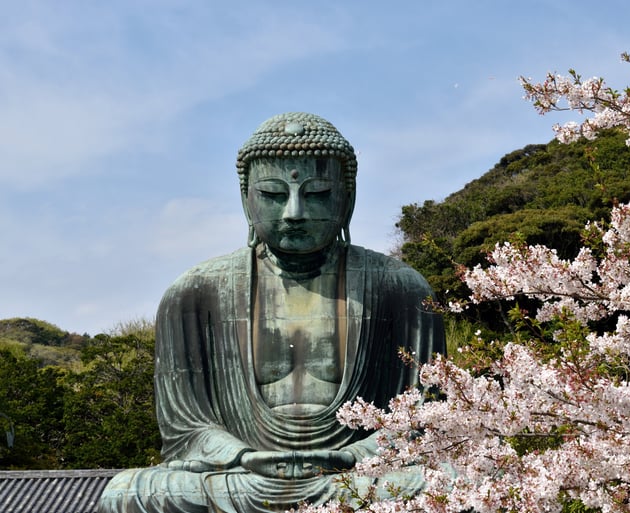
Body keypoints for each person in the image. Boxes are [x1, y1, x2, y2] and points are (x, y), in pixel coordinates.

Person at [98, 112, 445, 512]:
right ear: (246, 199)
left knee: (462, 482)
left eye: (315, 194)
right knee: (127, 494)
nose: (294, 212)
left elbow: (424, 420)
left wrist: (352, 455)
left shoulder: (399, 288)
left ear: (347, 198)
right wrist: (242, 456)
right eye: (274, 195)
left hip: (357, 474)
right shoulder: (193, 293)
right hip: (243, 476)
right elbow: (185, 430)